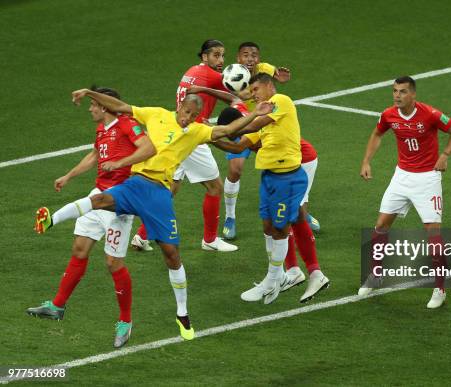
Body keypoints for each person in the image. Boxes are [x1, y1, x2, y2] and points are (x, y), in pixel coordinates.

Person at [34, 88, 273, 339]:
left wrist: (254, 113)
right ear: (179, 107)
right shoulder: (155, 114)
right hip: (135, 184)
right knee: (99, 199)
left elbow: (227, 131)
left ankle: (182, 313)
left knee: (171, 255)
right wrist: (89, 92)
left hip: (159, 194)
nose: (187, 119)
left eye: (193, 116)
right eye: (186, 113)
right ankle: (52, 220)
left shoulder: (197, 131)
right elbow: (122, 105)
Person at [27, 87, 155, 348]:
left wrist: (122, 164)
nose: (90, 108)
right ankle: (57, 306)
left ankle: (125, 321)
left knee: (113, 264)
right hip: (98, 194)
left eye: (94, 104)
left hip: (120, 201)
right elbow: (95, 155)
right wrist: (69, 175)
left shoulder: (128, 124)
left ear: (105, 106)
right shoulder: (102, 129)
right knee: (79, 248)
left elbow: (148, 148)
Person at [358, 76, 451, 309]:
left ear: (413, 94)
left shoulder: (430, 114)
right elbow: (377, 134)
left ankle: (439, 289)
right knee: (381, 226)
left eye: (403, 92)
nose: (397, 95)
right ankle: (375, 274)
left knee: (433, 234)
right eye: (395, 91)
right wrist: (366, 161)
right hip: (402, 176)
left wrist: (445, 155)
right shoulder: (388, 115)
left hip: (428, 178)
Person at [229, 73, 329, 304]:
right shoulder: (262, 116)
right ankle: (294, 272)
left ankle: (296, 274)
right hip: (272, 174)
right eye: (250, 92)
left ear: (269, 86)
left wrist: (228, 127)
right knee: (273, 223)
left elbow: (252, 125)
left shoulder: (280, 101)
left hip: (296, 167)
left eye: (255, 89)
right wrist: (208, 136)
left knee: (290, 219)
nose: (253, 95)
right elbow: (240, 144)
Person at [131, 39, 236, 253]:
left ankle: (142, 236)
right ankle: (210, 240)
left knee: (170, 188)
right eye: (216, 55)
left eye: (223, 55)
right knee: (215, 187)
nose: (221, 60)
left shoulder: (191, 71)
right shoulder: (210, 75)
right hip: (192, 137)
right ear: (204, 57)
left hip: (178, 132)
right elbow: (238, 95)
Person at [221, 41, 317, 241]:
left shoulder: (266, 75)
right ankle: (230, 218)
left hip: (264, 124)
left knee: (303, 153)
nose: (250, 59)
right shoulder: (231, 74)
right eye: (245, 55)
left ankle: (300, 212)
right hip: (244, 122)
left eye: (254, 55)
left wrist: (280, 79)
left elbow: (273, 82)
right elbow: (236, 99)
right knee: (235, 169)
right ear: (238, 58)